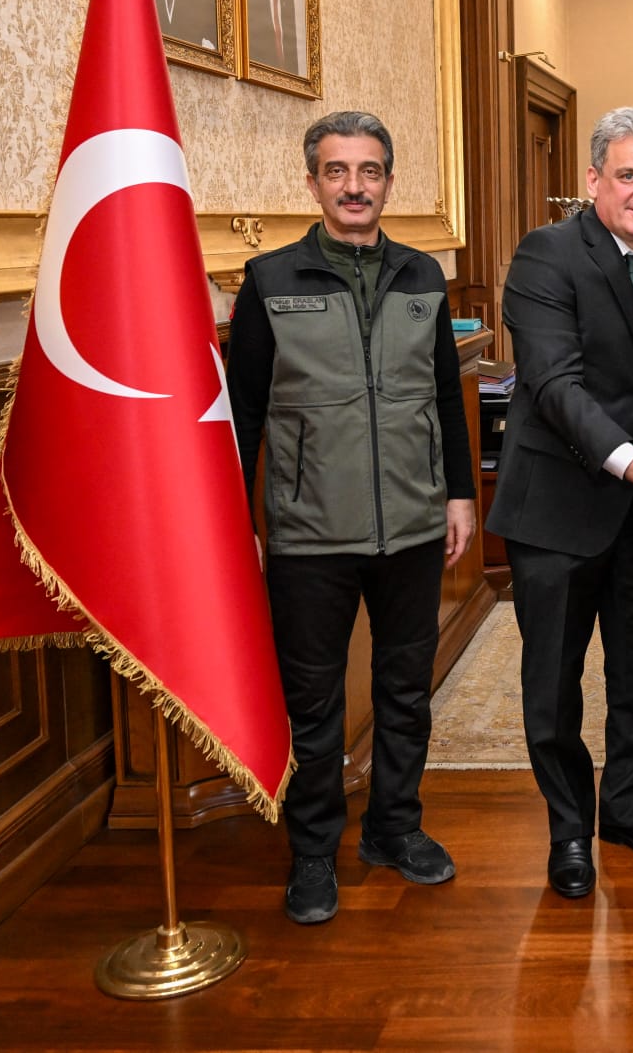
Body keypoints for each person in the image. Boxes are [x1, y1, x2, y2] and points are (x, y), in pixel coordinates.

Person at [227, 110, 478, 925]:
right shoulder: (270, 280)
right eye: (337, 171)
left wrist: (460, 493)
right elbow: (245, 411)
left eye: (369, 171)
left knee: (406, 689)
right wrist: (235, 518)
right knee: (315, 702)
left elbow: (445, 392)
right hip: (307, 534)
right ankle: (312, 853)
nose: (354, 187)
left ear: (388, 183)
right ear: (313, 183)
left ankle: (394, 828)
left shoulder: (421, 279)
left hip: (410, 524)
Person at [487, 106, 633, 899]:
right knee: (553, 681)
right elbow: (552, 382)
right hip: (556, 507)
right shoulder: (545, 255)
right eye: (628, 175)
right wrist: (629, 463)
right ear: (594, 180)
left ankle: (625, 804)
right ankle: (567, 828)